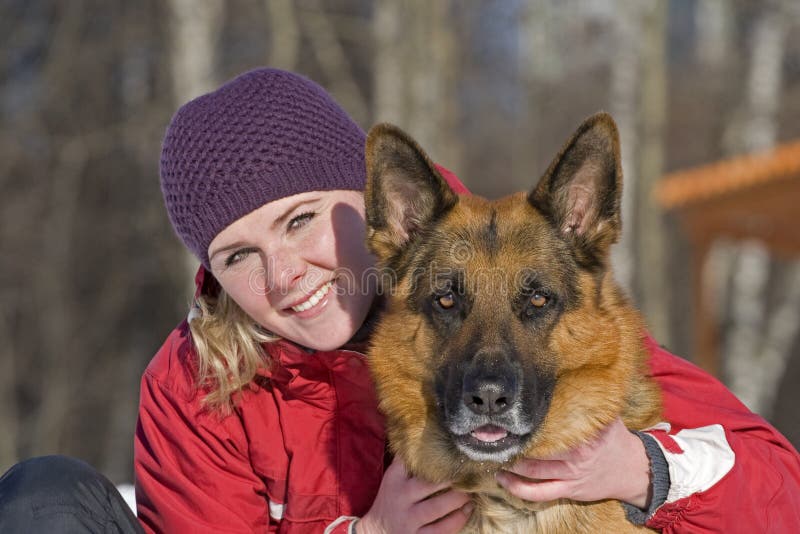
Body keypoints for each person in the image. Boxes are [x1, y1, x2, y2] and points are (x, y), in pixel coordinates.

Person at [0, 67, 798, 534]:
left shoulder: (527, 289)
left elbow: (781, 494)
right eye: (239, 255)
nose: (285, 278)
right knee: (42, 502)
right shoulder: (193, 385)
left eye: (301, 220)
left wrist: (640, 468)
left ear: (374, 207)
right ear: (208, 274)